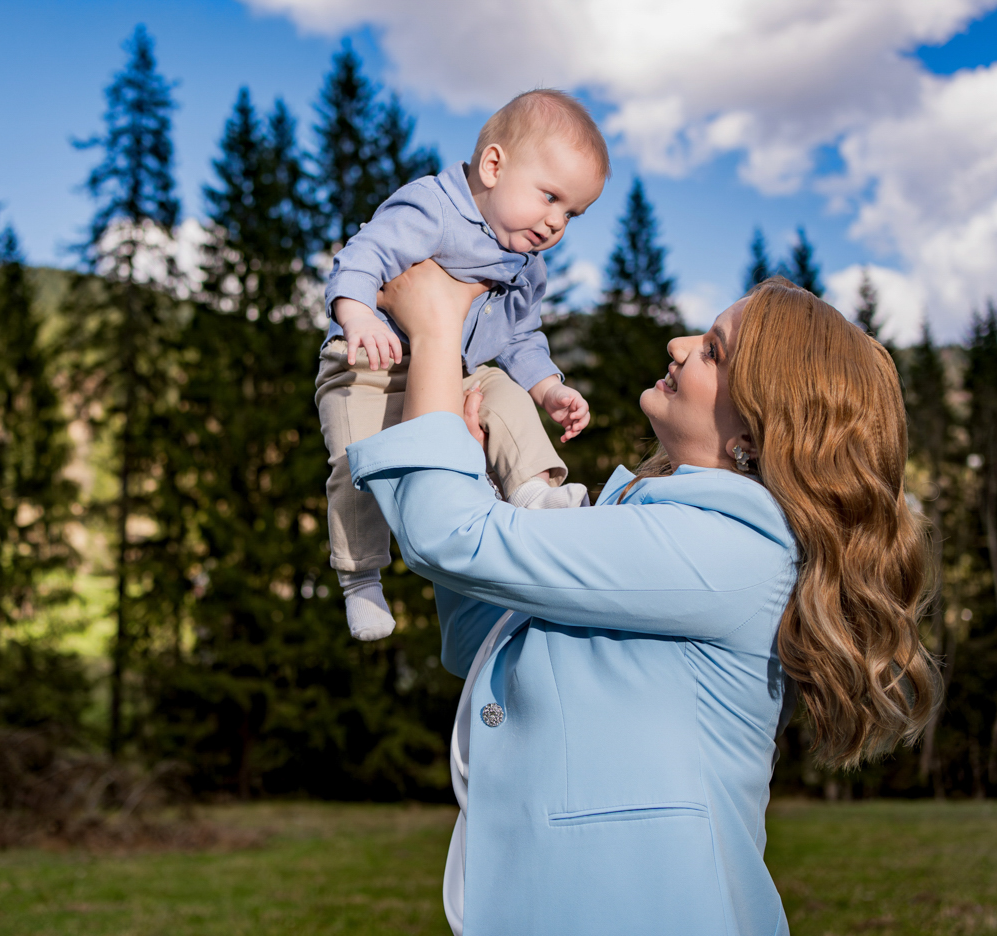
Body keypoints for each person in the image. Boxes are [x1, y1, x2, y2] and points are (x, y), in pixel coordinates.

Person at [348, 265, 939, 935]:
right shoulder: (658, 528)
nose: (679, 345)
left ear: (755, 431)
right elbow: (474, 636)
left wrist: (434, 331)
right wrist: (473, 465)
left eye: (713, 349)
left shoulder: (733, 549)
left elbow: (448, 539)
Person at [317, 89, 607, 641]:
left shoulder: (528, 267)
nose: (555, 224)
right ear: (494, 165)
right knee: (354, 463)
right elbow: (363, 255)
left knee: (504, 394)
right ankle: (359, 577)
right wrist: (358, 316)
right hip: (366, 365)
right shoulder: (432, 207)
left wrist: (548, 388)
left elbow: (521, 335)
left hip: (458, 368)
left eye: (572, 213)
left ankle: (532, 492)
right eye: (549, 197)